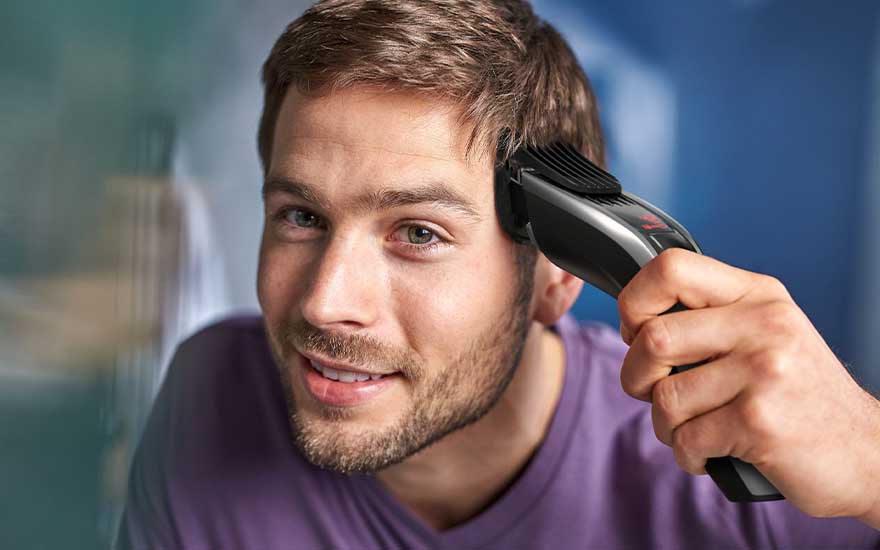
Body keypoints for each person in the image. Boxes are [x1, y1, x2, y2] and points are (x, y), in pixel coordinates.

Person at [118, 1, 880, 548]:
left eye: (418, 232)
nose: (325, 302)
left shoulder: (733, 474)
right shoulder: (210, 396)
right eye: (301, 217)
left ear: (559, 272)